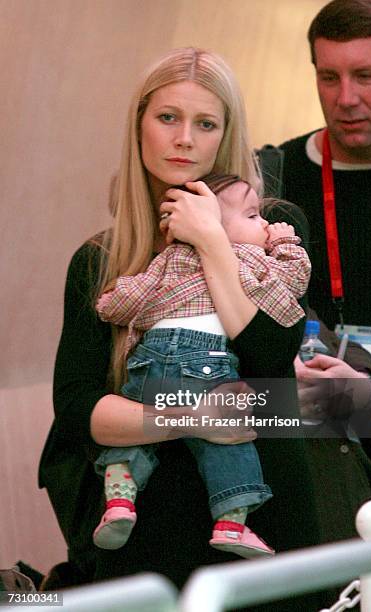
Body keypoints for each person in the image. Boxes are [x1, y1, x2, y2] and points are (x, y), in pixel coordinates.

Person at [38, 47, 328, 611]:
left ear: (226, 134)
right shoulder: (99, 260)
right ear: (139, 124)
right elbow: (77, 411)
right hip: (150, 526)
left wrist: (213, 240)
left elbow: (270, 362)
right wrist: (191, 418)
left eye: (206, 123)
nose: (184, 139)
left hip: (264, 514)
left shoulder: (270, 230)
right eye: (168, 118)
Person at [92, 173, 311, 556]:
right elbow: (292, 284)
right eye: (252, 215)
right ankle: (231, 522)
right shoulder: (250, 259)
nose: (262, 223)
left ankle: (119, 499)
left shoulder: (170, 258)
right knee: (227, 440)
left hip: (150, 358)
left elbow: (132, 299)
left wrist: (110, 301)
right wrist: (283, 240)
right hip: (206, 360)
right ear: (213, 227)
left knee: (140, 417)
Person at [258, 0, 371, 523]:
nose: (346, 98)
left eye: (366, 76)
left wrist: (370, 396)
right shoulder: (272, 178)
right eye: (329, 77)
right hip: (313, 467)